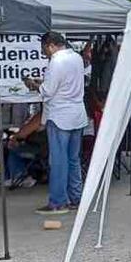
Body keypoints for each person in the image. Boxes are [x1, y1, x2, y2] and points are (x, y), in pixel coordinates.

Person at [24, 31, 88, 216]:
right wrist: (44, 83)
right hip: (77, 114)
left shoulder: (56, 61)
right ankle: (76, 198)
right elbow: (64, 83)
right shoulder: (76, 57)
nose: (44, 53)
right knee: (73, 160)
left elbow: (48, 91)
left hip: (60, 116)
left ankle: (58, 202)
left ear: (50, 45)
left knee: (58, 161)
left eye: (44, 49)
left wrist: (35, 84)